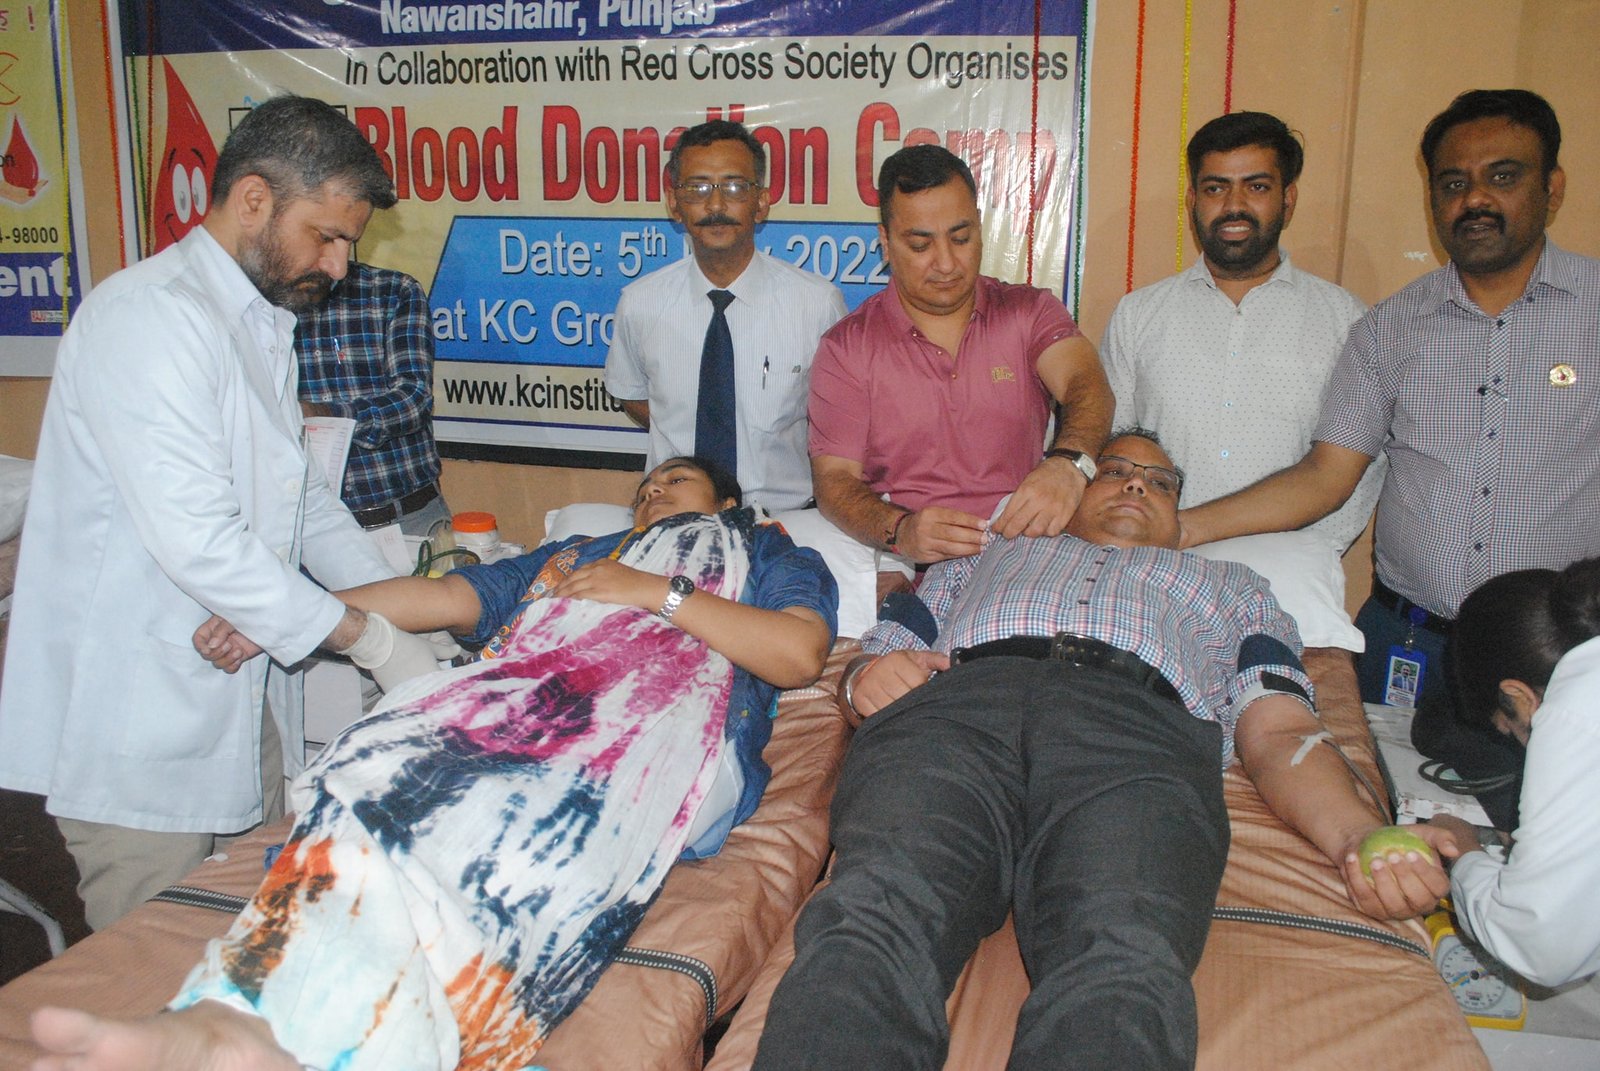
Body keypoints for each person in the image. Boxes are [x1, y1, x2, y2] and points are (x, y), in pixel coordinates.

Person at [26, 457, 838, 1071]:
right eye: (646, 486)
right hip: (513, 710)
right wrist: (284, 616)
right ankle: (234, 1012)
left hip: (651, 739)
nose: (654, 490)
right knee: (375, 764)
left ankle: (333, 1030)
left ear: (725, 503)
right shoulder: (575, 553)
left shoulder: (767, 552)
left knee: (499, 815)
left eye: (678, 480)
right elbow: (450, 600)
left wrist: (651, 591)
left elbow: (798, 653)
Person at [752, 429, 1451, 1070]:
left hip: (1138, 733)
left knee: (1122, 949)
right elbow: (870, 665)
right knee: (876, 914)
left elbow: (1281, 730)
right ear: (1071, 493)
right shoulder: (982, 556)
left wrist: (1357, 834)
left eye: (1160, 482)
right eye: (1113, 470)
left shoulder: (1239, 590)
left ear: (1180, 517)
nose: (1136, 484)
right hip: (957, 712)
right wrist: (866, 681)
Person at [0, 95, 426, 931]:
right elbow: (199, 540)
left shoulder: (262, 322)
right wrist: (369, 639)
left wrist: (405, 608)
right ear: (254, 199)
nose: (340, 265)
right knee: (148, 964)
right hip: (137, 721)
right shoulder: (150, 316)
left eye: (349, 243)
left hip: (237, 695)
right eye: (327, 236)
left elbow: (304, 499)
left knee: (252, 939)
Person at [1177, 89, 1600, 827]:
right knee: (1397, 830)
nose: (1475, 199)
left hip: (1557, 654)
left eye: (1502, 176)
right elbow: (1325, 476)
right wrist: (1179, 530)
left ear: (1552, 188)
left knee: (1557, 845)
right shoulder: (1391, 328)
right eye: (1453, 182)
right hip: (1409, 646)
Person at [808, 144, 1113, 565]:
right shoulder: (848, 348)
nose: (947, 263)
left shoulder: (1028, 312)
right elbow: (834, 482)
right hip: (905, 566)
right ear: (885, 242)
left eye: (961, 238)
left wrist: (1069, 464)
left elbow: (1087, 383)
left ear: (980, 229)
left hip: (1021, 555)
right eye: (921, 245)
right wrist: (900, 530)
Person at [1101, 110, 1382, 549]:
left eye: (1257, 187)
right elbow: (1111, 455)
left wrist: (1309, 557)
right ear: (1192, 200)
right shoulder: (1138, 315)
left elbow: (1354, 471)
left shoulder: (1346, 321)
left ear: (1288, 200)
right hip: (1158, 566)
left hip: (1287, 571)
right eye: (1216, 188)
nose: (1234, 206)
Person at [605, 120, 847, 512]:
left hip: (785, 519)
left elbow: (838, 419)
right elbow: (634, 398)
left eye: (734, 187)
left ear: (761, 202)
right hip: (674, 520)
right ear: (674, 204)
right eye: (698, 188)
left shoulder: (817, 304)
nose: (716, 206)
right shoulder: (640, 303)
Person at [1426, 557, 1600, 987]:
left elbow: (1538, 947)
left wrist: (1465, 854)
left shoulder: (1573, 713)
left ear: (1518, 696)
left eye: (1512, 730)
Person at [296, 260, 451, 535]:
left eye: (345, 241)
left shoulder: (392, 290)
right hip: (311, 528)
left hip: (408, 519)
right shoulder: (263, 303)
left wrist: (326, 415)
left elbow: (414, 400)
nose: (336, 255)